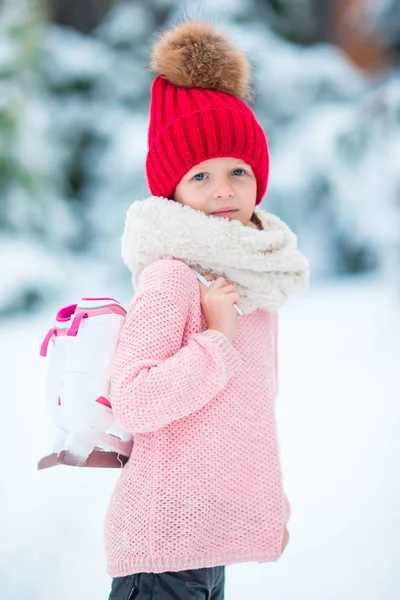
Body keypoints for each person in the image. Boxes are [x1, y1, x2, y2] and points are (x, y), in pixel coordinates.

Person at [104, 19, 310, 600]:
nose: (224, 189)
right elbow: (137, 400)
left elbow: (246, 417)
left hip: (208, 543)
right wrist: (216, 341)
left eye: (238, 171)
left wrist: (270, 505)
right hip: (163, 547)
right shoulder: (173, 277)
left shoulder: (253, 285)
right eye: (202, 175)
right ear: (172, 191)